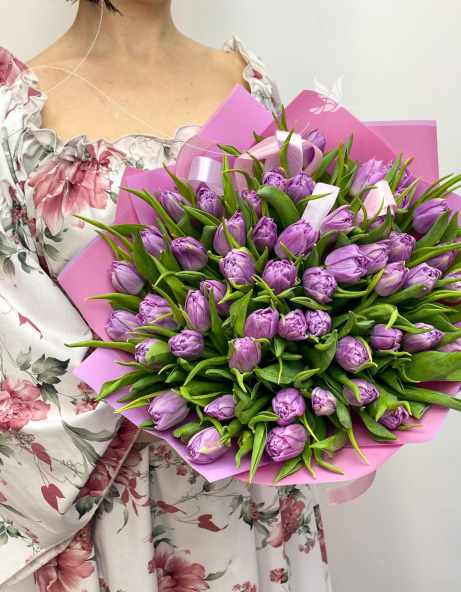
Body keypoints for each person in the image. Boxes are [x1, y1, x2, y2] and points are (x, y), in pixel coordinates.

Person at [0, 1, 331, 590]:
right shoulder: (15, 114)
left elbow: (300, 265)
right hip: (104, 510)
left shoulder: (251, 86)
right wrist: (150, 375)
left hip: (246, 482)